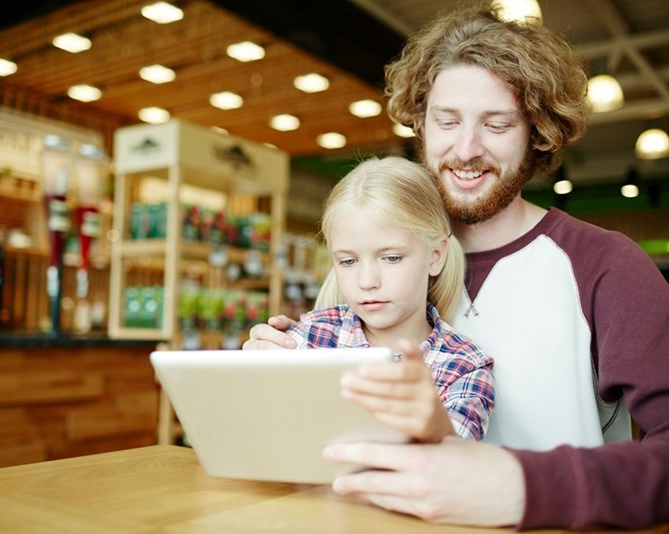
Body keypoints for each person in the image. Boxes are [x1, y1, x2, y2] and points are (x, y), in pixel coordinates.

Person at [245, 2, 669, 531]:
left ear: (537, 130)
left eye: (496, 123)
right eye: (446, 121)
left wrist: (519, 486)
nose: (465, 150)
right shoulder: (369, 271)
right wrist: (263, 376)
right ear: (420, 122)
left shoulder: (606, 266)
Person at [288, 156, 494, 443]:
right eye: (348, 261)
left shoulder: (464, 366)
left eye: (391, 257)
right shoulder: (310, 336)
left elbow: (452, 464)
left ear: (436, 256)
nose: (367, 281)